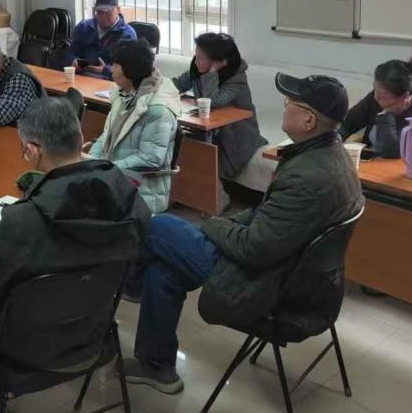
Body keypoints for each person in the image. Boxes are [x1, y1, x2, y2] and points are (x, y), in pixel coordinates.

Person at [121, 74, 363, 394]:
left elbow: (252, 249)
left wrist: (213, 224)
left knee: (160, 226)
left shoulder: (308, 177)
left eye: (290, 102)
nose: (284, 106)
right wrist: (228, 224)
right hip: (299, 275)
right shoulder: (329, 156)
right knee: (163, 268)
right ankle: (156, 365)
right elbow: (265, 214)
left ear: (308, 120)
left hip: (273, 287)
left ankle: (129, 287)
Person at [0, 97, 150, 402]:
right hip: (95, 329)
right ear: (81, 138)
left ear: (33, 151)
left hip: (28, 343)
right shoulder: (131, 202)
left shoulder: (24, 220)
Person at [89, 39, 181, 214]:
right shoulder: (122, 94)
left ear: (130, 70)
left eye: (116, 64)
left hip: (141, 190)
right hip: (115, 178)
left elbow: (150, 158)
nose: (111, 68)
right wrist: (91, 160)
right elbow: (106, 134)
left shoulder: (158, 109)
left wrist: (108, 168)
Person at [172, 33, 269, 197]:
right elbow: (177, 84)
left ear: (219, 62)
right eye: (196, 56)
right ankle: (186, 193)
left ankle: (215, 196)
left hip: (235, 134)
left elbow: (214, 101)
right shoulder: (197, 69)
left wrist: (212, 73)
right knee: (179, 138)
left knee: (198, 149)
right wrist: (160, 86)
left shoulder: (236, 77)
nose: (196, 62)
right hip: (210, 129)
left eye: (201, 58)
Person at [340, 57, 412, 158]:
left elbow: (390, 152)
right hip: (370, 159)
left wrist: (386, 114)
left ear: (404, 97)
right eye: (374, 89)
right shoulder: (378, 96)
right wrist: (336, 138)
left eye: (382, 95)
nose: (375, 97)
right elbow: (347, 123)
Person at [64, 0, 137, 80]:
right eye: (99, 12)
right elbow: (70, 53)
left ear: (118, 9)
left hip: (111, 81)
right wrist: (73, 61)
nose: (103, 17)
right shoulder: (84, 27)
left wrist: (105, 70)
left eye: (108, 12)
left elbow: (128, 69)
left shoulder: (127, 35)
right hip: (81, 77)